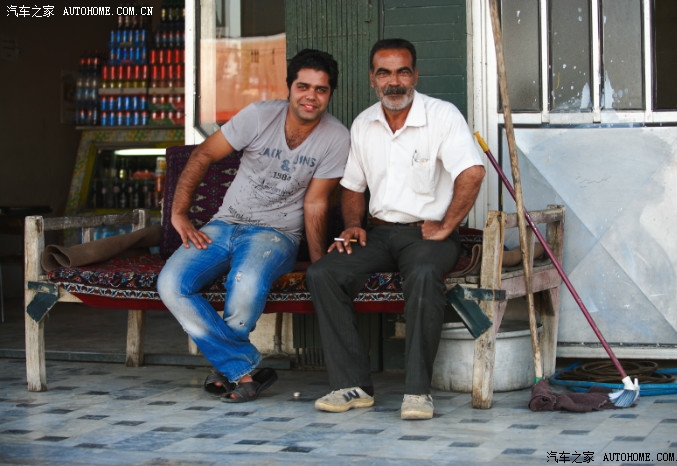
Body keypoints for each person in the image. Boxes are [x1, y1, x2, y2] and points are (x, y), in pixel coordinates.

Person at [306, 38, 485, 420]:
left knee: (423, 273)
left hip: (426, 235)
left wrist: (447, 225)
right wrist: (353, 225)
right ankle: (352, 385)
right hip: (379, 233)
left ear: (415, 75)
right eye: (384, 73)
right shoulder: (364, 124)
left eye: (402, 72)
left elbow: (472, 172)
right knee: (323, 273)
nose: (394, 81)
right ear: (372, 78)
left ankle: (418, 391)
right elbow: (352, 186)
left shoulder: (442, 115)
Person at [157, 49, 350, 403]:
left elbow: (315, 202)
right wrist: (179, 212)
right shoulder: (259, 116)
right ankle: (241, 369)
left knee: (245, 282)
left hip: (276, 235)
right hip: (224, 224)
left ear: (330, 94)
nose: (311, 96)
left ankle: (231, 370)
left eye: (321, 89)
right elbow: (204, 154)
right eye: (303, 86)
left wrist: (319, 263)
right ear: (289, 87)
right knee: (171, 283)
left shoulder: (336, 137)